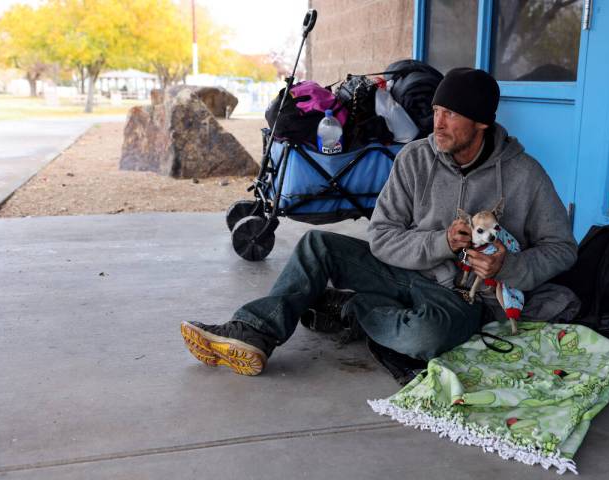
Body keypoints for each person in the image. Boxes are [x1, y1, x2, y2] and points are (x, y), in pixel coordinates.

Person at [180, 68, 579, 377]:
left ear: (481, 123)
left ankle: (354, 307)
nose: (437, 123)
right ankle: (253, 330)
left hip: (458, 296)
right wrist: (440, 242)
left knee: (426, 337)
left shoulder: (525, 174)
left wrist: (508, 266)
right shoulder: (414, 158)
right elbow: (382, 237)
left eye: (451, 114)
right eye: (436, 111)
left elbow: (562, 248)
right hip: (400, 270)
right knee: (318, 245)